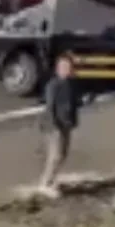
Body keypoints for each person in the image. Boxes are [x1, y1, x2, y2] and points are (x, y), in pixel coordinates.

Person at [36, 54, 79, 198]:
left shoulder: (71, 84)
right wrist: (55, 126)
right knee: (56, 155)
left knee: (63, 154)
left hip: (65, 123)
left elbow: (73, 104)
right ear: (57, 69)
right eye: (63, 67)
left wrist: (73, 121)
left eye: (69, 67)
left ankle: (52, 180)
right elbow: (50, 107)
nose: (67, 70)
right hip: (54, 125)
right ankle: (44, 184)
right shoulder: (53, 85)